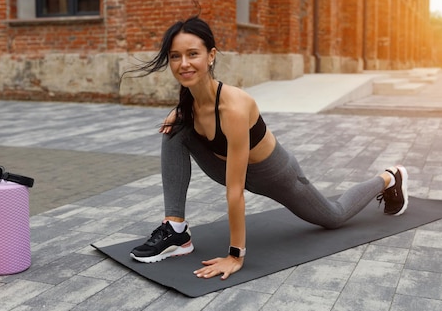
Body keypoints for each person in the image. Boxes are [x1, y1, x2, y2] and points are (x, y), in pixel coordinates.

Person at [127, 15, 408, 280]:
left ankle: (389, 177)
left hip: (276, 176)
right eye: (175, 56)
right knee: (174, 131)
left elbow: (234, 191)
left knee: (333, 216)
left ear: (211, 56)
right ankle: (176, 230)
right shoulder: (189, 99)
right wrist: (177, 115)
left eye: (193, 54)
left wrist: (235, 255)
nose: (183, 63)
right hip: (224, 165)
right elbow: (190, 121)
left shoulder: (235, 107)